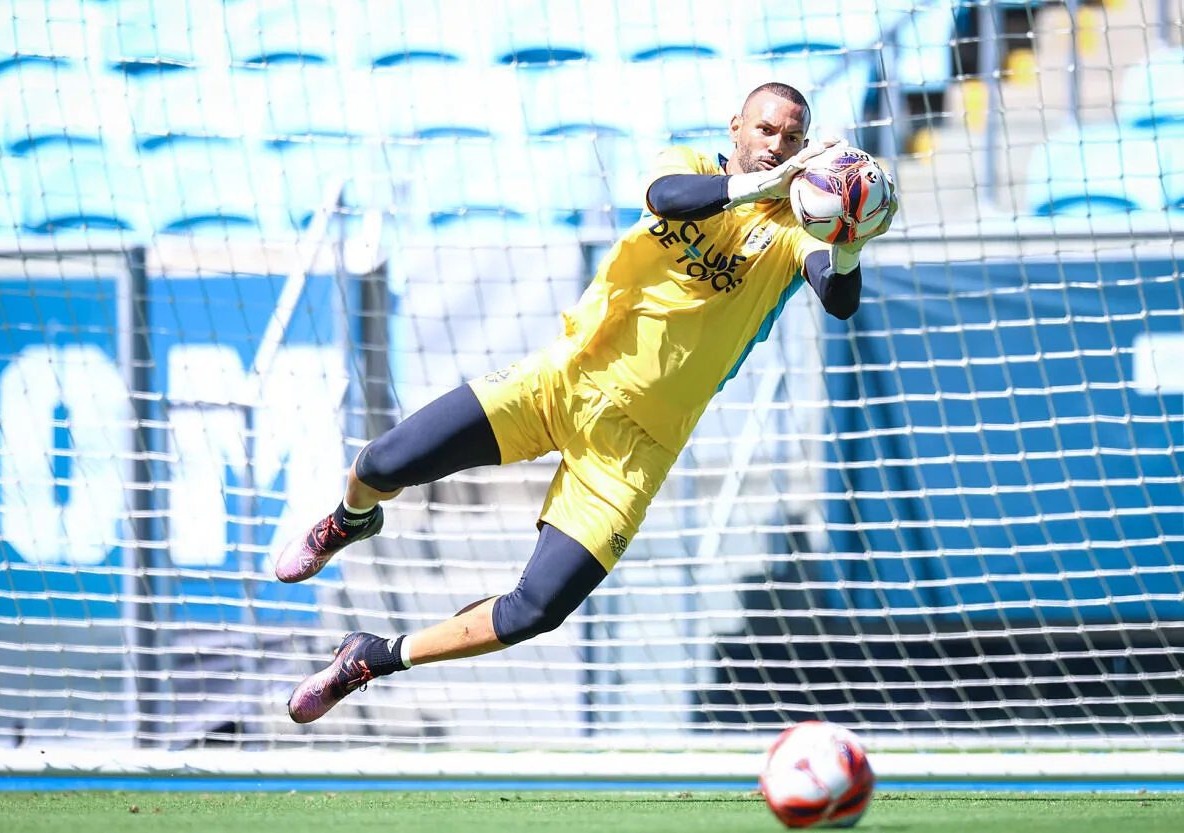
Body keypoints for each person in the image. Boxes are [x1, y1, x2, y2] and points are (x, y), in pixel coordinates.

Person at [275, 81, 897, 724]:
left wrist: (848, 246)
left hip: (635, 449)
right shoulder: (687, 164)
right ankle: (350, 521)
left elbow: (839, 298)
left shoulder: (795, 229)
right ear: (735, 125)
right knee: (381, 463)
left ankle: (373, 657)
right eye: (767, 131)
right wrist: (763, 185)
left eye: (793, 138)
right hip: (562, 381)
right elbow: (667, 199)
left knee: (537, 610)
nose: (778, 146)